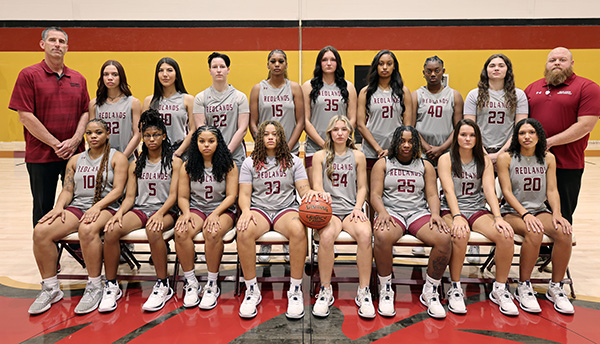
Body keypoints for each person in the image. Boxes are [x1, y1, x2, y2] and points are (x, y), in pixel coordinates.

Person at [28, 119, 128, 315]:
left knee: (88, 229)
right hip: (78, 207)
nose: (93, 136)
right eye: (89, 133)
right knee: (41, 231)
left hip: (107, 207)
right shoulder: (75, 160)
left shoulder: (118, 158)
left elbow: (117, 190)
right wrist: (58, 207)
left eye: (98, 132)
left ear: (107, 134)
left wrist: (97, 207)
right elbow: (67, 190)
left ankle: (94, 286)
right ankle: (50, 288)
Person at [9, 27, 90, 226]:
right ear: (42, 44)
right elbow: (25, 116)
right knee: (43, 207)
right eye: (52, 40)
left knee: (77, 203)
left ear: (67, 47)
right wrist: (56, 144)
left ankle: (77, 249)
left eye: (61, 42)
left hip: (75, 155)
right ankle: (46, 251)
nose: (57, 45)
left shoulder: (78, 79)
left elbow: (86, 112)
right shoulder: (28, 75)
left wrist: (75, 141)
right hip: (41, 156)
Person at [102, 110, 181, 313]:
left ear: (164, 135)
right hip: (140, 209)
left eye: (156, 135)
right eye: (147, 136)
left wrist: (160, 213)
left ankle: (163, 284)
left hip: (166, 211)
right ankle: (111, 285)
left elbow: (173, 196)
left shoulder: (175, 162)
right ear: (142, 138)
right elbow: (130, 197)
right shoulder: (136, 164)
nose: (151, 139)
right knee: (111, 230)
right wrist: (118, 213)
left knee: (154, 231)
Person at [236, 121, 316, 319]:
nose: (270, 137)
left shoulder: (294, 161)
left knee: (298, 229)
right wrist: (245, 211)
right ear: (259, 138)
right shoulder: (249, 162)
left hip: (285, 209)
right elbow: (244, 194)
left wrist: (310, 194)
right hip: (259, 209)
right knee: (244, 231)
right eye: (266, 134)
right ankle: (251, 289)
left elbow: (303, 188)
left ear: (281, 137)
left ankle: (295, 289)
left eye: (275, 134)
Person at [438, 119, 518, 316]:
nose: (467, 138)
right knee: (460, 234)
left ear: (477, 138)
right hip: (450, 209)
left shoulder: (483, 159)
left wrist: (498, 217)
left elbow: (490, 190)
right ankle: (455, 287)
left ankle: (499, 288)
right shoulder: (446, 159)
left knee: (505, 235)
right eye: (463, 135)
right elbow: (448, 190)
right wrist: (457, 216)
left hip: (476, 208)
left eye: (472, 135)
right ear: (456, 137)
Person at [371, 125, 451, 319]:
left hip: (417, 212)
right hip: (392, 212)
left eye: (411, 141)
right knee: (381, 236)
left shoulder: (424, 165)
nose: (406, 145)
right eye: (402, 141)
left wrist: (435, 214)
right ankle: (386, 287)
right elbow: (374, 194)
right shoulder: (383, 163)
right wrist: (381, 211)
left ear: (416, 143)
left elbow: (432, 194)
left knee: (444, 238)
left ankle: (430, 290)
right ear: (396, 141)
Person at [497, 118, 574, 314]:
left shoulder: (548, 158)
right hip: (512, 212)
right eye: (522, 133)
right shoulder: (506, 157)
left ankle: (556, 287)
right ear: (516, 137)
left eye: (531, 132)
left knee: (564, 233)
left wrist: (557, 213)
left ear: (539, 136)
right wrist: (524, 214)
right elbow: (506, 191)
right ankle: (524, 285)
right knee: (534, 232)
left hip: (539, 210)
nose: (527, 136)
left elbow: (552, 190)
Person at [463, 53, 528, 263]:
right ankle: (474, 244)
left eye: (501, 65)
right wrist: (481, 151)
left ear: (507, 70)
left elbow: (520, 126)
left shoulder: (518, 95)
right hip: (477, 150)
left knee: (503, 193)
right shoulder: (475, 94)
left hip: (508, 151)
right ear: (486, 70)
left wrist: (500, 154)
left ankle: (505, 231)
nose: (497, 69)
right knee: (477, 193)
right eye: (492, 65)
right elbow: (469, 126)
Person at [524, 47, 600, 226]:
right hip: (533, 164)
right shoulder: (533, 88)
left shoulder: (587, 88)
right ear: (546, 64)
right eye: (552, 60)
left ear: (572, 64)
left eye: (562, 59)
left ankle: (557, 254)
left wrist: (548, 142)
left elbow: (585, 125)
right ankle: (540, 253)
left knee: (562, 215)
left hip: (568, 164)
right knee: (534, 213)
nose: (557, 63)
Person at [310, 115, 374, 318]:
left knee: (365, 234)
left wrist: (358, 207)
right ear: (329, 132)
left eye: (344, 129)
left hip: (350, 210)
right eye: (335, 129)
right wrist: (322, 195)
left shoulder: (358, 156)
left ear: (349, 134)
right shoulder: (319, 156)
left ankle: (364, 291)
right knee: (327, 237)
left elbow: (363, 186)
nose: (339, 133)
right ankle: (325, 290)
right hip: (329, 211)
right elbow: (317, 185)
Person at [249, 49, 304, 263]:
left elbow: (300, 120)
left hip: (288, 150)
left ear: (286, 64)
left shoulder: (295, 88)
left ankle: (288, 242)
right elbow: (253, 122)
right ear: (268, 64)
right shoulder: (257, 89)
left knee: (285, 192)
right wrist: (263, 144)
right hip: (264, 150)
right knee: (264, 193)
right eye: (273, 61)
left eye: (281, 61)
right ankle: (265, 245)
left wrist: (287, 148)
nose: (277, 64)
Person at [174, 125, 238, 310]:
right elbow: (183, 197)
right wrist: (186, 213)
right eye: (202, 141)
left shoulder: (229, 165)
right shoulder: (188, 165)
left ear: (219, 143)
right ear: (196, 143)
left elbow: (231, 196)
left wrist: (216, 213)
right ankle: (191, 282)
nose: (206, 145)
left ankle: (212, 283)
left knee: (212, 232)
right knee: (181, 231)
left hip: (222, 209)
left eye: (211, 141)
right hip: (197, 208)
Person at [302, 46, 357, 183]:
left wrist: (338, 142)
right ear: (319, 63)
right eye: (324, 60)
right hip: (314, 147)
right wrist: (324, 144)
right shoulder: (308, 86)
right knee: (316, 194)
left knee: (339, 189)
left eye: (332, 60)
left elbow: (353, 119)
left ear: (338, 63)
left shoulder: (348, 87)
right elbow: (305, 121)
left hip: (341, 147)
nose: (328, 63)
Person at [357, 49, 412, 169]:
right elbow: (360, 125)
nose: (385, 67)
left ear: (394, 67)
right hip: (371, 150)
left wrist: (393, 148)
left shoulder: (404, 91)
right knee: (372, 187)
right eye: (381, 64)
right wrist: (378, 149)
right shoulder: (365, 92)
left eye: (389, 63)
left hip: (397, 149)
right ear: (375, 66)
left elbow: (408, 125)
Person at [194, 52, 250, 169]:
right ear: (210, 70)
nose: (218, 70)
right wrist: (214, 153)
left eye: (222, 67)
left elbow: (243, 129)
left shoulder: (240, 97)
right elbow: (201, 128)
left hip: (234, 155)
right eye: (215, 67)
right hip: (209, 155)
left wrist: (226, 152)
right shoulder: (201, 97)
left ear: (228, 70)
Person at [412, 55, 463, 165]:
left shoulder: (454, 95)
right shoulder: (416, 95)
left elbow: (458, 128)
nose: (433, 74)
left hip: (447, 151)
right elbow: (411, 126)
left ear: (443, 71)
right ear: (423, 73)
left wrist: (441, 148)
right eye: (429, 71)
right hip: (422, 152)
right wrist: (426, 147)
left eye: (437, 70)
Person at [142, 57, 195, 158]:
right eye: (161, 71)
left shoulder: (188, 99)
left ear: (177, 74)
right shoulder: (149, 101)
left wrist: (178, 153)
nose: (165, 74)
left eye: (169, 70)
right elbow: (143, 130)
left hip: (180, 151)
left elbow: (193, 130)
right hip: (155, 152)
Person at [89, 60, 142, 162]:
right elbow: (91, 134)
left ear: (121, 77)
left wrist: (122, 158)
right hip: (101, 160)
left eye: (114, 74)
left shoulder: (133, 102)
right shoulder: (94, 104)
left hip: (127, 157)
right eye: (106, 74)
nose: (110, 78)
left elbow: (137, 135)